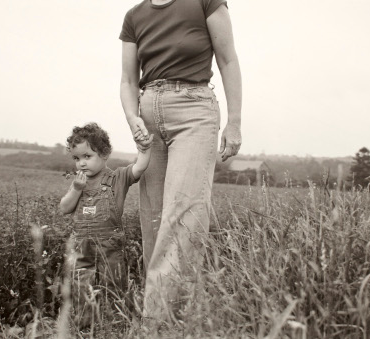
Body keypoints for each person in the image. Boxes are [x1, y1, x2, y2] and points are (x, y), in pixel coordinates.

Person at [119, 0, 242, 325]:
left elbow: (228, 59)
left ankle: (155, 321)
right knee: (154, 219)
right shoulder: (134, 16)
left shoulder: (206, 1)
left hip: (194, 111)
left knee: (185, 213)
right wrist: (132, 118)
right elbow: (129, 81)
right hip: (149, 116)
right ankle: (176, 316)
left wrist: (235, 121)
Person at [59, 122, 153, 327]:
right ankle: (85, 325)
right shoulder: (79, 182)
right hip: (82, 244)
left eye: (87, 156)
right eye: (76, 158)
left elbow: (139, 167)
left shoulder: (117, 178)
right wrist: (76, 189)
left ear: (104, 153)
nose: (81, 163)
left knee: (114, 282)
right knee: (80, 283)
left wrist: (144, 149)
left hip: (109, 244)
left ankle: (116, 322)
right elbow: (64, 208)